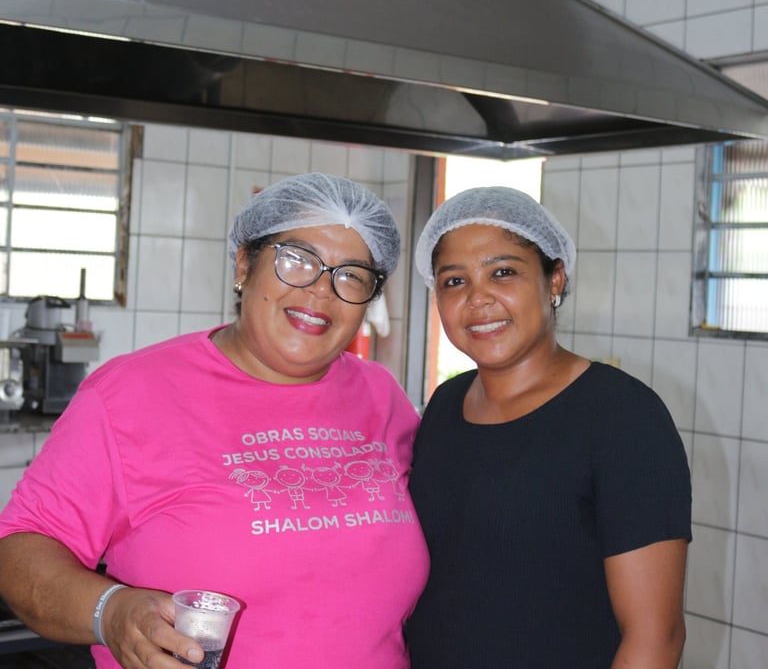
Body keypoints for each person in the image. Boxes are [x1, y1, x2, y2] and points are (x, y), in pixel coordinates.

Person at [0, 172, 429, 669]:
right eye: (297, 259)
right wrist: (110, 611)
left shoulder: (381, 396)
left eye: (351, 275)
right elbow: (19, 552)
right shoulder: (130, 393)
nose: (321, 292)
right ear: (245, 263)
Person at [405, 185, 691, 669]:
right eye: (454, 281)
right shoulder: (445, 405)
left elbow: (656, 637)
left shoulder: (622, 417)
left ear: (554, 279)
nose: (478, 298)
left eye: (503, 272)